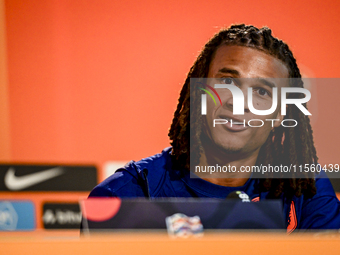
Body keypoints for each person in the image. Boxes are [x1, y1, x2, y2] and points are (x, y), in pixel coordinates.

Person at [88, 24, 340, 231]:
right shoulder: (127, 193)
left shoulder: (304, 190)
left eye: (261, 91)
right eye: (227, 81)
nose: (238, 102)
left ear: (278, 115)